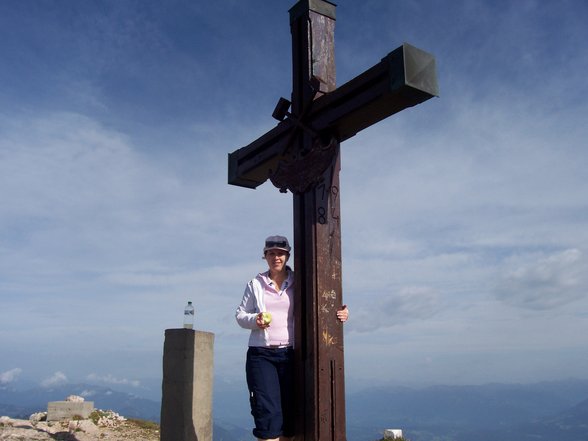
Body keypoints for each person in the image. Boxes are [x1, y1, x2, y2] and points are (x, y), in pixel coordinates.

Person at [235, 235, 349, 441]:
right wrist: (256, 320)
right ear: (265, 256)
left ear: (287, 256)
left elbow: (321, 303)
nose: (276, 257)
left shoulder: (299, 282)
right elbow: (240, 315)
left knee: (290, 414)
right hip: (261, 355)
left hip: (291, 354)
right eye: (271, 253)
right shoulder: (256, 284)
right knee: (267, 413)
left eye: (280, 253)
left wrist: (340, 313)